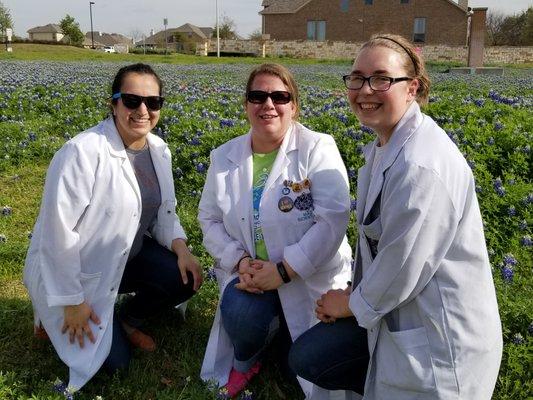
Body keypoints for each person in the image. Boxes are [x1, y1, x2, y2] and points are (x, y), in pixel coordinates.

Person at [289, 34, 503, 399]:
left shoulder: (421, 166)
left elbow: (401, 265)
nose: (365, 90)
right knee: (309, 357)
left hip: (439, 342)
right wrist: (355, 295)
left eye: (381, 79)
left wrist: (350, 304)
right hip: (396, 312)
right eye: (356, 78)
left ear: (412, 88)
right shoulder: (386, 144)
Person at [23, 63, 203, 392]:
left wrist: (181, 247)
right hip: (75, 272)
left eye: (153, 102)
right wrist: (72, 302)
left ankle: (127, 319)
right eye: (132, 100)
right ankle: (51, 314)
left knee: (185, 278)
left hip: (123, 259)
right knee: (116, 365)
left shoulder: (159, 150)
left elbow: (165, 212)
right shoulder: (81, 152)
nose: (143, 111)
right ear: (114, 103)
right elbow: (56, 234)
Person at [198, 63, 352, 398]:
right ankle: (249, 357)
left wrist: (284, 270)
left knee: (305, 364)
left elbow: (333, 218)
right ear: (246, 105)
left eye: (280, 96)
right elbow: (207, 219)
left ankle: (283, 338)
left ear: (293, 106)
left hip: (310, 274)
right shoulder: (223, 157)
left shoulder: (318, 147)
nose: (268, 104)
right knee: (241, 317)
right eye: (258, 96)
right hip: (252, 273)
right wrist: (239, 261)